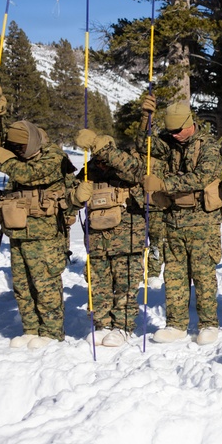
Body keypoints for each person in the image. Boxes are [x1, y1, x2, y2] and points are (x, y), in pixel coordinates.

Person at [0, 114, 74, 350]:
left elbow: (29, 174)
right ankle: (30, 329)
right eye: (14, 148)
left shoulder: (54, 156)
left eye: (21, 147)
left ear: (30, 142)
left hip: (45, 235)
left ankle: (51, 334)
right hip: (18, 231)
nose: (17, 152)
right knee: (22, 284)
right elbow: (1, 145)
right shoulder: (20, 155)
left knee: (45, 285)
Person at [134, 95, 222, 345]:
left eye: (178, 131)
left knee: (203, 275)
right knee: (174, 275)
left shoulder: (207, 145)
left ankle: (208, 323)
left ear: (190, 123)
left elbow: (201, 177)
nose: (174, 135)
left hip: (202, 222)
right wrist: (146, 118)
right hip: (173, 220)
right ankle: (175, 324)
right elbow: (145, 146)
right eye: (170, 131)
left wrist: (164, 184)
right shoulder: (169, 141)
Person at [71, 130, 152, 347]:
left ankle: (123, 327)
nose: (102, 162)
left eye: (104, 156)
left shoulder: (127, 168)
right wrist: (77, 196)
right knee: (99, 285)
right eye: (98, 158)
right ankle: (102, 324)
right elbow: (71, 200)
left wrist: (100, 146)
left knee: (126, 285)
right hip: (98, 241)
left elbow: (136, 171)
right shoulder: (88, 172)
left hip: (127, 238)